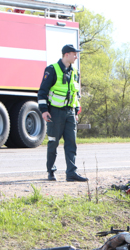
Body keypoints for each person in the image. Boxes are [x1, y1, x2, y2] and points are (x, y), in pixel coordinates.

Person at [38, 44, 87, 182]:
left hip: (70, 113)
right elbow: (42, 92)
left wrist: (76, 111)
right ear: (66, 55)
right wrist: (44, 111)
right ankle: (51, 172)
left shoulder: (75, 72)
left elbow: (75, 93)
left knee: (71, 143)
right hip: (55, 113)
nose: (76, 56)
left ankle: (71, 173)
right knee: (53, 142)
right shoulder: (52, 70)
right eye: (74, 54)